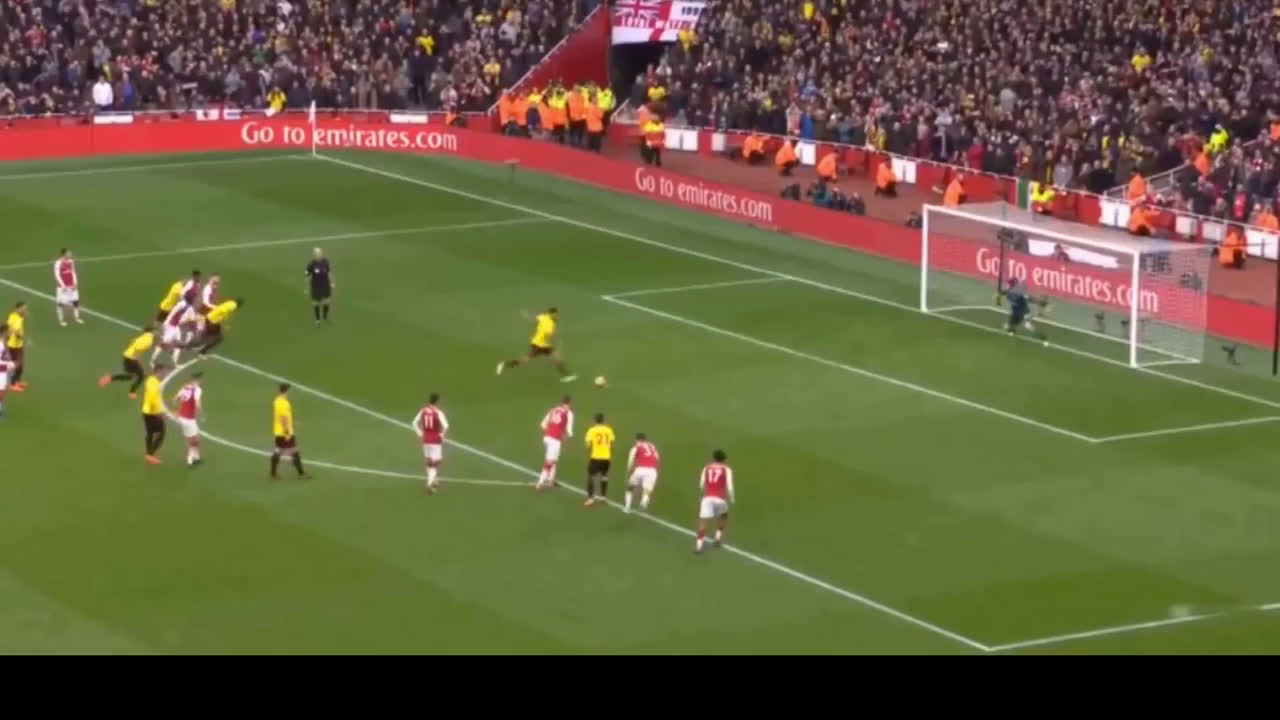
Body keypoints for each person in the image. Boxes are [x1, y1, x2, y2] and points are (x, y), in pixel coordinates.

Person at [496, 307, 575, 381]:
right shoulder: (548, 321)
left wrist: (527, 316)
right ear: (551, 314)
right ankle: (503, 364)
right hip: (537, 345)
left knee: (557, 359)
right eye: (555, 314)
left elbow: (534, 318)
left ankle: (565, 376)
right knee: (524, 360)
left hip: (545, 346)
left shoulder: (545, 318)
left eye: (557, 314)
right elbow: (548, 332)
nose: (556, 316)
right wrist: (527, 316)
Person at [97, 324, 156, 399]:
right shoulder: (149, 339)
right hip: (131, 358)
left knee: (129, 376)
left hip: (127, 355)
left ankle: (109, 378)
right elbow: (138, 346)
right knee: (140, 376)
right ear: (153, 332)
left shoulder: (144, 336)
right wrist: (139, 353)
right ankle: (132, 392)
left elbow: (133, 341)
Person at [694, 449, 735, 554]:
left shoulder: (706, 468)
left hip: (707, 498)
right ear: (724, 459)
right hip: (720, 499)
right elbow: (729, 486)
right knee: (723, 516)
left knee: (703, 523)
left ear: (713, 458)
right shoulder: (727, 469)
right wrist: (732, 498)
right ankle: (717, 538)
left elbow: (701, 484)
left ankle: (698, 547)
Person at [411, 392, 450, 494]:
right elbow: (446, 426)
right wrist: (442, 435)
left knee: (429, 462)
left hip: (425, 439)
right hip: (435, 440)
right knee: (435, 463)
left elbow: (414, 423)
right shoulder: (438, 412)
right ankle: (429, 484)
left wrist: (420, 434)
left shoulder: (423, 410)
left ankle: (435, 481)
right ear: (437, 401)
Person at [270, 383, 310, 479]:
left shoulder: (277, 401)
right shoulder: (284, 403)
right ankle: (301, 474)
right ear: (287, 391)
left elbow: (282, 416)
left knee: (278, 451)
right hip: (284, 432)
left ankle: (273, 473)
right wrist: (287, 431)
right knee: (294, 452)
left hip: (278, 431)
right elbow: (283, 418)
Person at [536, 396, 574, 491]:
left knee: (553, 460)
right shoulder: (568, 413)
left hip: (547, 438)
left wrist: (549, 433)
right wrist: (566, 440)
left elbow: (542, 425)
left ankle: (551, 481)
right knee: (549, 462)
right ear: (569, 403)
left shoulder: (553, 410)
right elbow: (569, 431)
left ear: (561, 402)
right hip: (555, 440)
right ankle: (540, 483)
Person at [997, 279, 1048, 344]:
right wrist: (998, 298)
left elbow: (1030, 298)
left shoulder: (1019, 293)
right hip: (1015, 312)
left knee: (1027, 325)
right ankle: (1012, 330)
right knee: (1011, 325)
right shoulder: (1008, 291)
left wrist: (1039, 302)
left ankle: (1041, 336)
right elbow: (1002, 293)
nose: (1007, 286)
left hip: (1023, 312)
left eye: (1008, 285)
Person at [583, 412, 615, 507]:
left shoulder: (591, 430)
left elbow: (588, 445)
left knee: (591, 476)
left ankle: (590, 498)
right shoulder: (609, 430)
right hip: (606, 457)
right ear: (603, 420)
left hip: (596, 457)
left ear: (594, 420)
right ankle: (603, 497)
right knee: (604, 476)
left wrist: (588, 452)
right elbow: (612, 444)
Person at [173, 372, 204, 467]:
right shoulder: (197, 390)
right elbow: (197, 404)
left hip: (182, 418)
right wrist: (201, 414)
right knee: (192, 440)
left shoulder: (185, 387)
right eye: (199, 379)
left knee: (195, 437)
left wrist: (177, 410)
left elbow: (174, 399)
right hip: (189, 419)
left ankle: (196, 457)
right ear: (197, 380)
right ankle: (190, 460)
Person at [623, 432, 660, 513]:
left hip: (640, 469)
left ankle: (627, 507)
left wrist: (628, 470)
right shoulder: (652, 446)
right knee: (647, 490)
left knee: (630, 487)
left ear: (636, 439)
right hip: (652, 471)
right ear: (645, 439)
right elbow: (657, 457)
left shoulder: (636, 447)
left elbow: (631, 459)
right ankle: (644, 502)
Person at [141, 363, 169, 465]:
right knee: (161, 432)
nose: (165, 374)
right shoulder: (154, 383)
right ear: (158, 371)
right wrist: (159, 413)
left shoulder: (152, 381)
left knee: (151, 433)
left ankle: (149, 454)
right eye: (163, 372)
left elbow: (155, 398)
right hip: (151, 412)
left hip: (147, 411)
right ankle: (150, 454)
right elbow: (153, 399)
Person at [53, 249, 83, 326]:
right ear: (63, 254)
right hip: (62, 287)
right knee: (61, 304)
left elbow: (73, 272)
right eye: (68, 253)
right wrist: (63, 285)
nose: (70, 254)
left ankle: (77, 318)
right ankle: (61, 320)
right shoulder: (58, 263)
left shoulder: (71, 262)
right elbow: (57, 275)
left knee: (76, 302)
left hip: (72, 285)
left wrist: (75, 283)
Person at [5, 302, 29, 393]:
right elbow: (16, 332)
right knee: (15, 364)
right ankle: (12, 384)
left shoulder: (16, 317)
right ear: (17, 309)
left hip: (18, 345)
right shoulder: (15, 318)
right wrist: (24, 338)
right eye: (23, 309)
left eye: (25, 309)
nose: (25, 311)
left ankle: (17, 381)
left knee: (20, 364)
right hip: (13, 345)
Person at [305, 248, 333, 324]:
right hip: (316, 285)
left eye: (320, 254)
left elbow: (329, 272)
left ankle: (325, 317)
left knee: (327, 301)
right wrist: (307, 287)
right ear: (314, 255)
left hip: (325, 284)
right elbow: (307, 276)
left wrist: (331, 282)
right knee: (316, 303)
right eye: (317, 254)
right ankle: (317, 319)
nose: (319, 255)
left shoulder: (325, 261)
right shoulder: (311, 264)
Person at [0, 325, 11, 419]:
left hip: (3, 370)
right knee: (2, 391)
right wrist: (9, 364)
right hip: (1, 370)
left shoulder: (4, 342)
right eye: (9, 331)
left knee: (3, 390)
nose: (10, 333)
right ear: (4, 332)